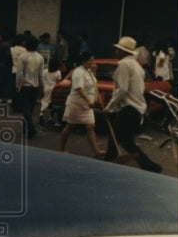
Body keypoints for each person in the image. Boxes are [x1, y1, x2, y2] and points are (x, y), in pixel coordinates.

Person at [104, 35, 162, 172]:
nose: (116, 52)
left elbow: (122, 89)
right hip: (136, 108)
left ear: (123, 52)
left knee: (117, 139)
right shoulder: (137, 66)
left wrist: (109, 107)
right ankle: (149, 166)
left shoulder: (124, 64)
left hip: (129, 108)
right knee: (124, 141)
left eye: (118, 50)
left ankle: (108, 163)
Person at [59, 52, 106, 157]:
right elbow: (79, 88)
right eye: (91, 60)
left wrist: (95, 99)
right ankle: (62, 148)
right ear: (84, 61)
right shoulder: (78, 72)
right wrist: (88, 100)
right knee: (70, 125)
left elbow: (93, 85)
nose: (93, 62)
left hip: (87, 105)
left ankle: (96, 151)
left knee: (90, 126)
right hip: (76, 103)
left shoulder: (88, 71)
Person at [14, 36, 44, 138]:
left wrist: (18, 85)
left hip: (25, 86)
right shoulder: (40, 57)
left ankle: (31, 127)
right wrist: (42, 87)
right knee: (30, 109)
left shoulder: (23, 57)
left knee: (25, 108)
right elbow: (41, 75)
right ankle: (25, 129)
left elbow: (19, 73)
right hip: (35, 86)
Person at [39, 56, 63, 127]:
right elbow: (59, 82)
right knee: (52, 103)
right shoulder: (58, 72)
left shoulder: (45, 71)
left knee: (44, 101)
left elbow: (43, 80)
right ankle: (50, 118)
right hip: (53, 88)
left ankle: (41, 114)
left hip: (46, 87)